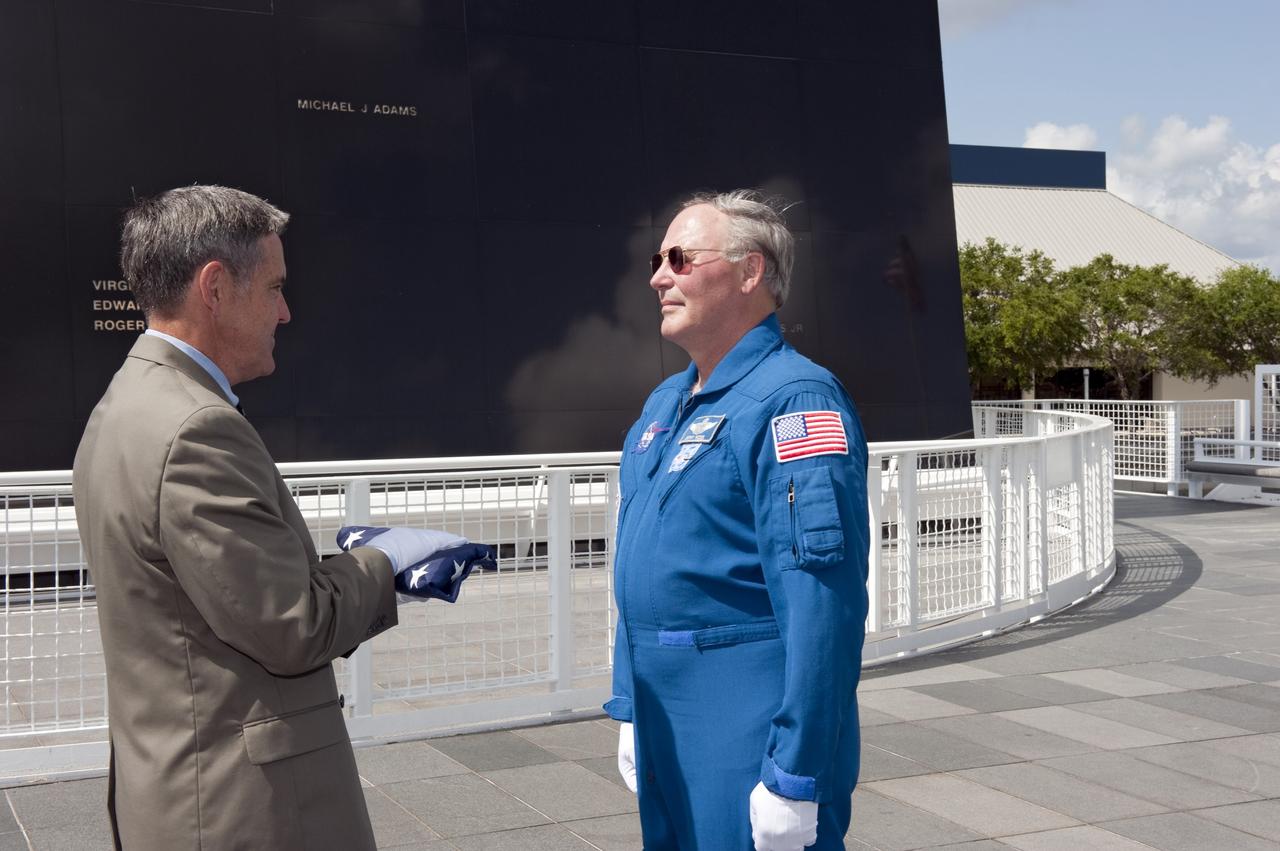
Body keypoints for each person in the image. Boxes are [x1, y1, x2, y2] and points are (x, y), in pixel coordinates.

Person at [73, 185, 449, 850]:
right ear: (215, 288)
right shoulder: (195, 428)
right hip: (242, 809)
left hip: (181, 791)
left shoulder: (125, 404)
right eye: (274, 286)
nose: (285, 309)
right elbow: (291, 624)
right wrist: (391, 559)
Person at [606, 190, 869, 850]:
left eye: (679, 258)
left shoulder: (794, 400)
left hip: (744, 726)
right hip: (666, 718)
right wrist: (631, 705)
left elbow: (822, 604)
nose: (658, 276)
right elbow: (638, 563)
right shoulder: (667, 402)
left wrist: (796, 773)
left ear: (750, 272)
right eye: (657, 259)